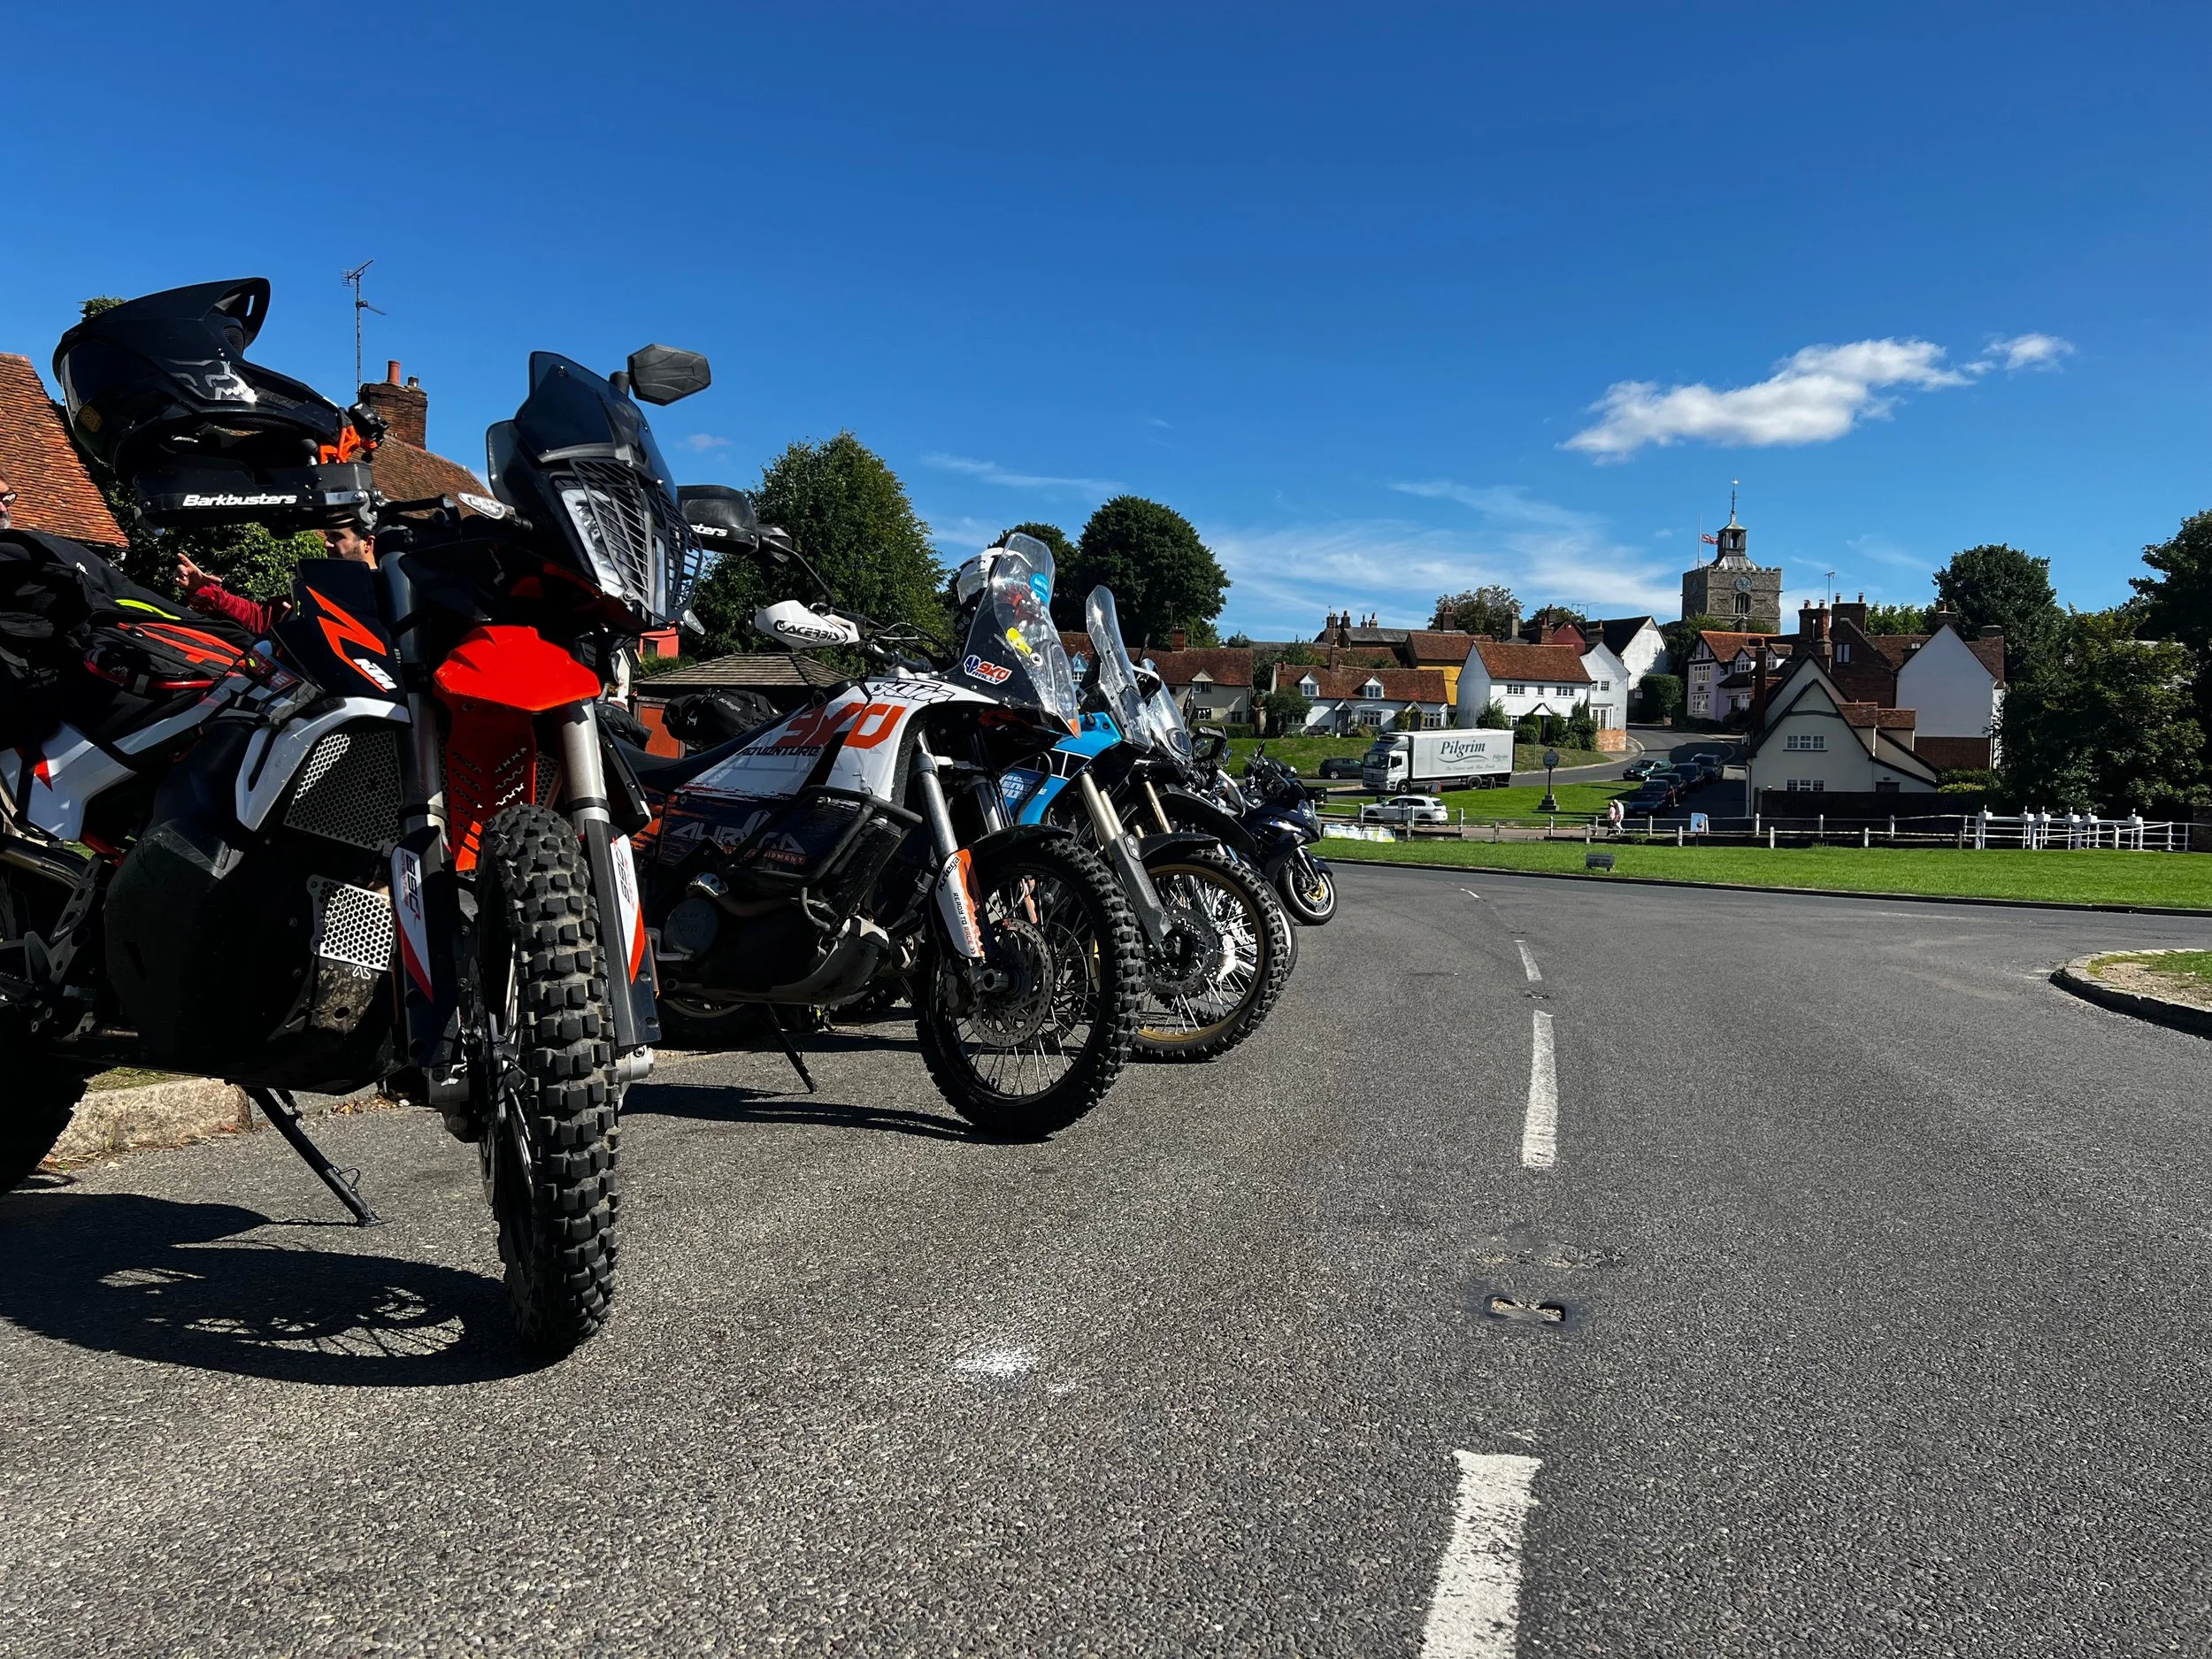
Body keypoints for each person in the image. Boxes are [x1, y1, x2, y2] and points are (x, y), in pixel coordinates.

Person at [176, 520, 374, 634]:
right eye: (327, 536)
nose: (326, 544)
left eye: (337, 537)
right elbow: (261, 617)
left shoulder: (395, 594)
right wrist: (204, 590)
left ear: (367, 543)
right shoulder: (320, 586)